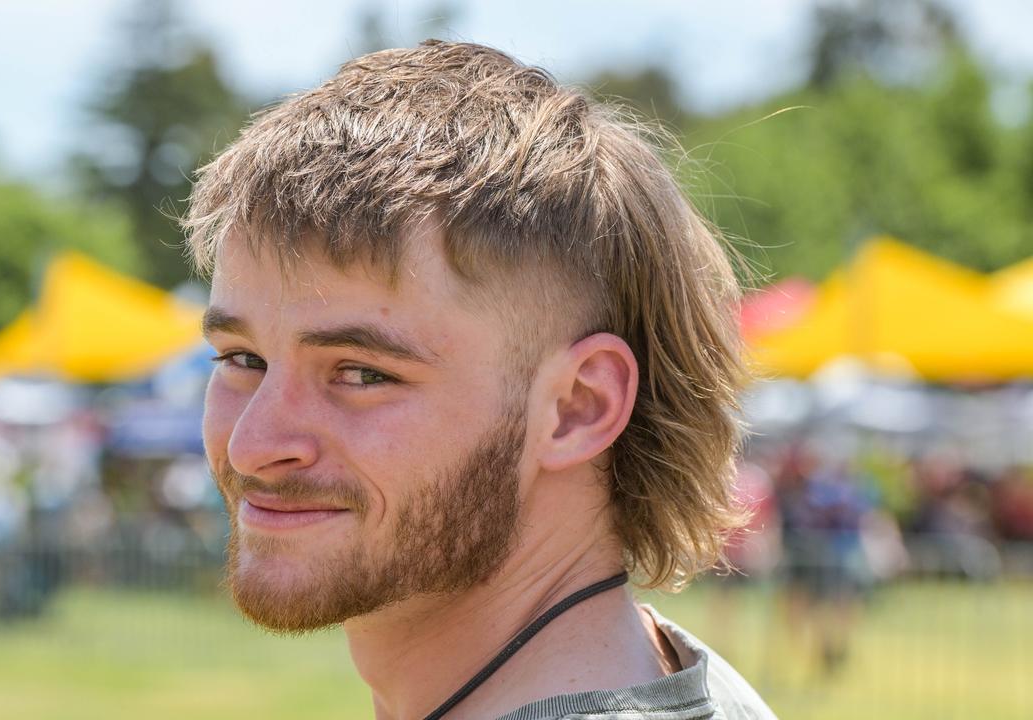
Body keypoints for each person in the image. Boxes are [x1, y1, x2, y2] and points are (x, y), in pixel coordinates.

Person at [185, 40, 776, 720]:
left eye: (361, 372)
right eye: (241, 359)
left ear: (577, 407)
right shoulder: (672, 668)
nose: (252, 445)